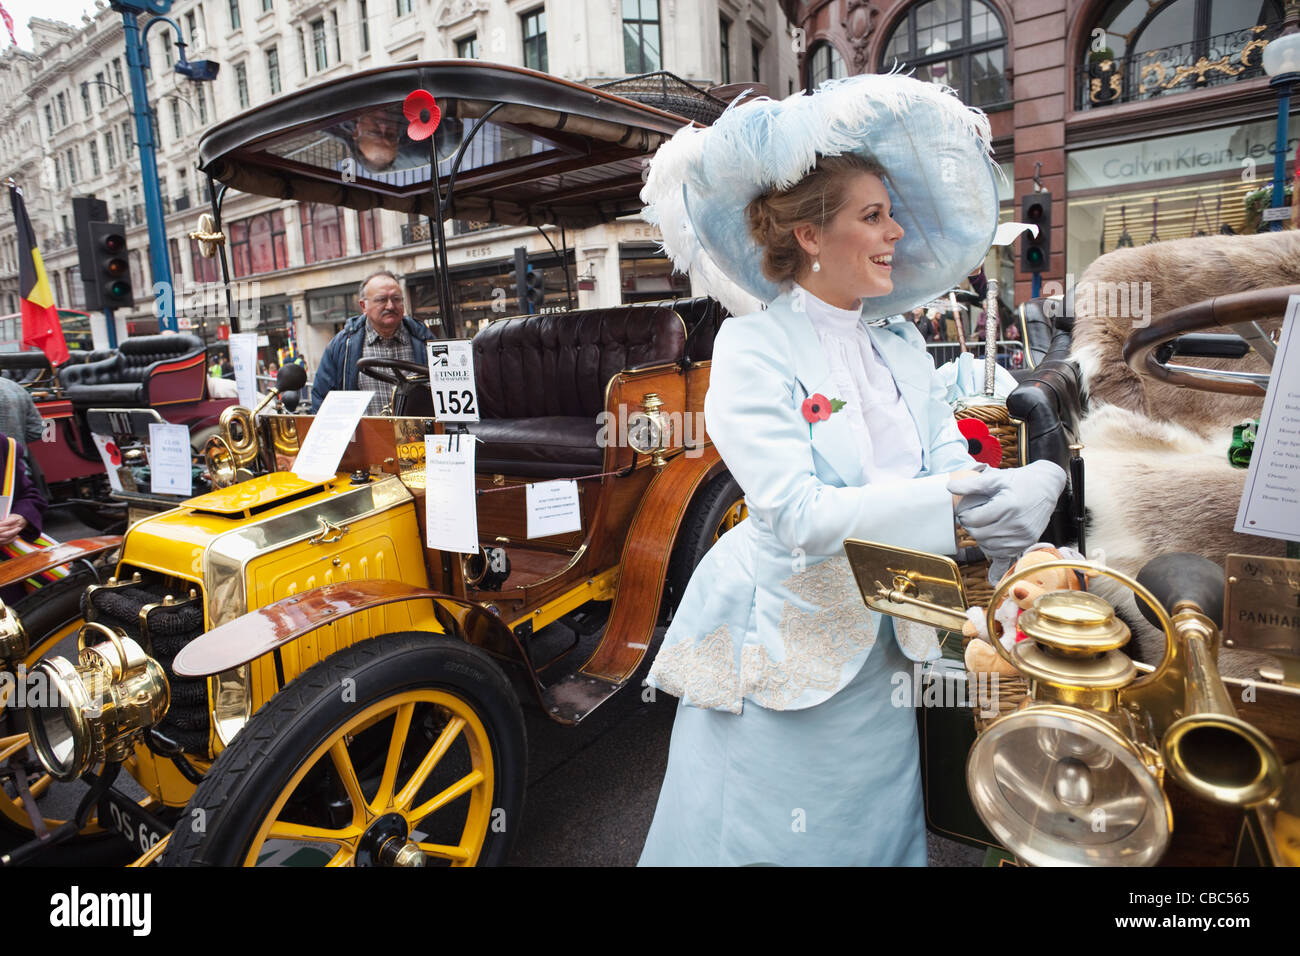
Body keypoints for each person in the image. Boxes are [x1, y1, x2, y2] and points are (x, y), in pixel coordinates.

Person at [635, 73, 1066, 866]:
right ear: (809, 234)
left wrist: (1009, 498)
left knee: (878, 837)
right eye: (874, 216)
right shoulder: (753, 347)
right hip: (790, 651)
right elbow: (798, 513)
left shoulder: (900, 345)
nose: (895, 232)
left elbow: (943, 464)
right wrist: (961, 496)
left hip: (896, 642)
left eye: (891, 214)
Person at [310, 270, 436, 414]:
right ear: (364, 306)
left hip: (418, 436)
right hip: (365, 437)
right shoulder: (343, 345)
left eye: (396, 299)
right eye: (381, 300)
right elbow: (322, 401)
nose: (390, 306)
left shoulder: (424, 340)